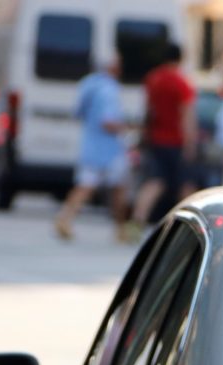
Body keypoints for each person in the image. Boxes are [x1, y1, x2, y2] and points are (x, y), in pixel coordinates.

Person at [54, 54, 129, 242]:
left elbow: (78, 112)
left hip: (90, 144)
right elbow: (108, 122)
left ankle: (65, 218)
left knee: (84, 187)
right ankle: (121, 229)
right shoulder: (108, 90)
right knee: (118, 189)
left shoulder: (89, 84)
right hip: (109, 148)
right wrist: (126, 127)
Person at [129, 42, 196, 236]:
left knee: (155, 181)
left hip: (156, 139)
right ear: (180, 59)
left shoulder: (152, 79)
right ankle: (192, 228)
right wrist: (190, 143)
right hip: (177, 141)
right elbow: (187, 115)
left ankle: (136, 221)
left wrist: (145, 135)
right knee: (186, 185)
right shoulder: (181, 82)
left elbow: (148, 111)